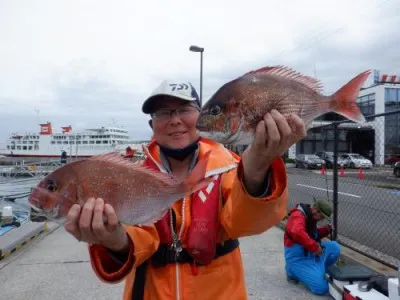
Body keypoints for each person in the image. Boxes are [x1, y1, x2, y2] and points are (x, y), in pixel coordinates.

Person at [64, 79, 306, 300]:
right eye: (163, 112)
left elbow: (245, 223)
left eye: (184, 110)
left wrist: (255, 171)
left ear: (200, 117)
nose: (175, 119)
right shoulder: (132, 176)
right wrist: (114, 240)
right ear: (152, 124)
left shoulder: (230, 167)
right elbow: (139, 237)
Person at [284, 198, 341, 295]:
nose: (322, 219)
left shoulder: (310, 217)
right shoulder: (297, 215)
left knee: (334, 247)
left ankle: (320, 271)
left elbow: (312, 234)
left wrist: (326, 229)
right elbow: (297, 232)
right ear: (315, 209)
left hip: (310, 255)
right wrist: (315, 247)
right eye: (322, 216)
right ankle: (291, 271)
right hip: (298, 260)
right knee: (321, 287)